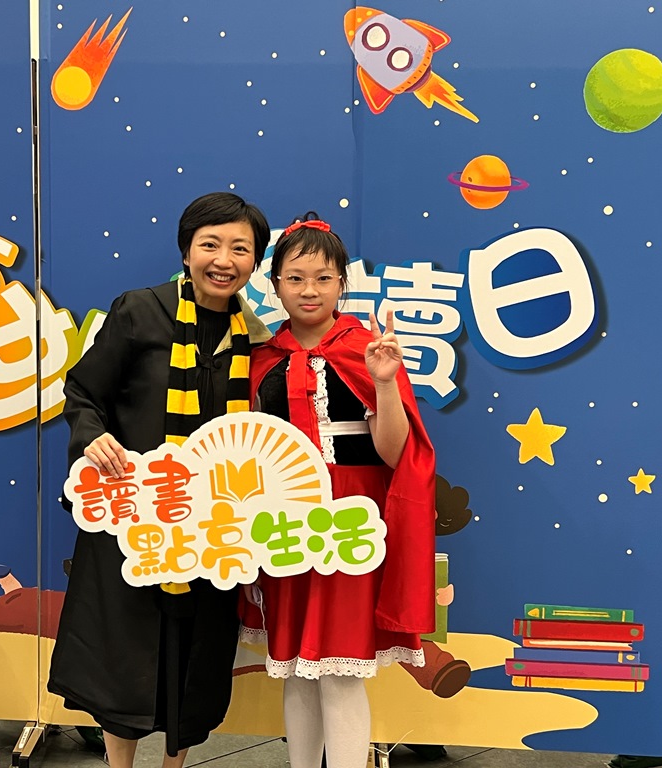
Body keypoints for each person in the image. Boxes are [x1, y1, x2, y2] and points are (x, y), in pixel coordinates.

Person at [48, 192, 272, 768]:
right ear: (186, 250)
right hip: (133, 514)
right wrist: (91, 435)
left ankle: (176, 765)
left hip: (211, 526)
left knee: (197, 658)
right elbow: (83, 391)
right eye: (210, 244)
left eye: (240, 248)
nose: (224, 260)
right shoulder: (140, 311)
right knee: (123, 657)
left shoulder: (256, 338)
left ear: (255, 261)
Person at [241, 213, 436, 768]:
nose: (309, 290)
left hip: (352, 518)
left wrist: (384, 383)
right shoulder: (260, 358)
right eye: (295, 278)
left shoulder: (367, 350)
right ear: (275, 284)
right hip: (284, 519)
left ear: (342, 283)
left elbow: (396, 454)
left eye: (323, 278)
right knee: (297, 667)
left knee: (341, 669)